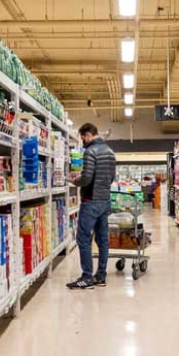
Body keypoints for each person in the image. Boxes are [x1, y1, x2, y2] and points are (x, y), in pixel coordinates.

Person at [67, 122, 116, 289]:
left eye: (83, 138)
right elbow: (111, 178)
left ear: (88, 135)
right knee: (102, 240)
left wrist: (75, 181)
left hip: (90, 202)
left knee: (83, 239)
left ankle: (87, 277)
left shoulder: (90, 151)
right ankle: (101, 276)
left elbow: (87, 178)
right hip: (105, 201)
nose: (83, 142)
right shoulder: (110, 152)